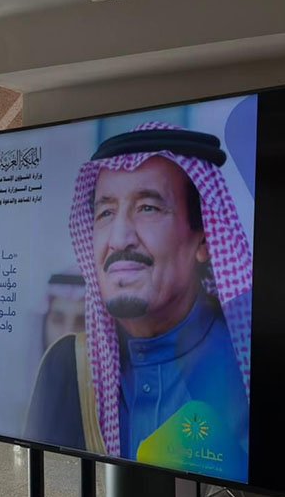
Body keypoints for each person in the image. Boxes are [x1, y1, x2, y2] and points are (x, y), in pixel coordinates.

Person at [24, 122, 252, 476]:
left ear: (205, 239)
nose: (119, 239)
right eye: (105, 213)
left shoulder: (247, 364)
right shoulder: (68, 367)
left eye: (148, 208)